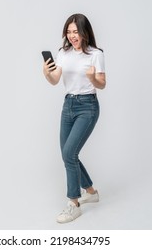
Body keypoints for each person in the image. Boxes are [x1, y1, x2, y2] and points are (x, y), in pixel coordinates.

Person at [43, 13, 106, 223]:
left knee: (69, 153)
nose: (72, 36)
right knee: (67, 154)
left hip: (87, 107)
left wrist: (92, 78)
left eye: (75, 31)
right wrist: (46, 73)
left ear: (84, 32)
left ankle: (73, 203)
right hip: (68, 105)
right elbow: (54, 80)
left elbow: (102, 84)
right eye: (68, 32)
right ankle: (91, 191)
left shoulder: (95, 54)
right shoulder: (63, 52)